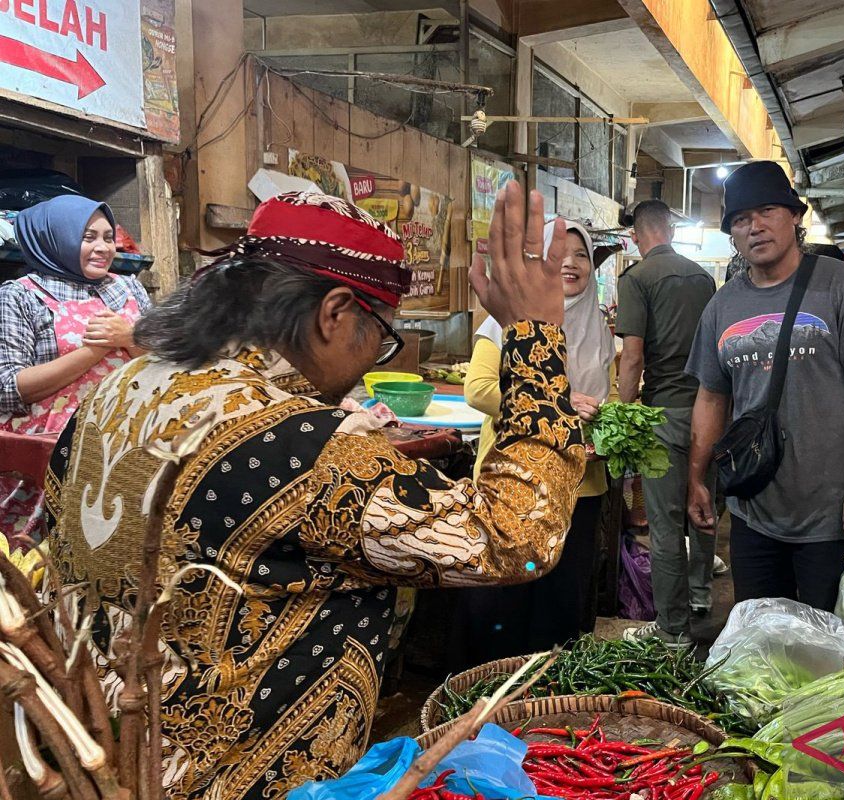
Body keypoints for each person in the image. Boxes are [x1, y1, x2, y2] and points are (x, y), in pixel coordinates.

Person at [44, 187, 586, 800]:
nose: (369, 362)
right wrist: (535, 338)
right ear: (334, 312)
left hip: (101, 754)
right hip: (236, 779)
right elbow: (518, 539)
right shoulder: (302, 444)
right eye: (380, 335)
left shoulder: (115, 390)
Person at [686, 161, 844, 611]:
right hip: (752, 508)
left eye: (766, 211)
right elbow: (711, 396)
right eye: (741, 219)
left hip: (834, 512)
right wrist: (696, 478)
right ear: (732, 234)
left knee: (833, 646)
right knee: (760, 643)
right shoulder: (722, 305)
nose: (755, 227)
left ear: (795, 215)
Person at [457, 217, 615, 662]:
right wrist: (556, 403)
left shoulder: (600, 331)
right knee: (506, 594)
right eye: (558, 252)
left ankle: (550, 700)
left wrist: (608, 420)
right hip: (515, 484)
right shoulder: (503, 325)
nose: (571, 263)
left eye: (581, 255)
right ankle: (486, 698)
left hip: (581, 487)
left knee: (561, 599)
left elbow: (611, 392)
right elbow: (479, 389)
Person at [0, 195, 150, 541]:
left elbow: (167, 355)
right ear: (55, 239)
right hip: (52, 453)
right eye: (88, 238)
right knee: (46, 563)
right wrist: (94, 350)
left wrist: (129, 337)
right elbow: (9, 388)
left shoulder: (129, 287)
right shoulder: (20, 295)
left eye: (108, 237)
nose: (103, 248)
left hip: (129, 442)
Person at [615, 200, 718, 647]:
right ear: (670, 231)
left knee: (665, 523)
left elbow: (633, 357)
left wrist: (622, 414)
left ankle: (672, 629)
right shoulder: (704, 278)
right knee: (703, 507)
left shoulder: (636, 278)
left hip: (661, 413)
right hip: (709, 412)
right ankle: (700, 594)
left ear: (638, 235)